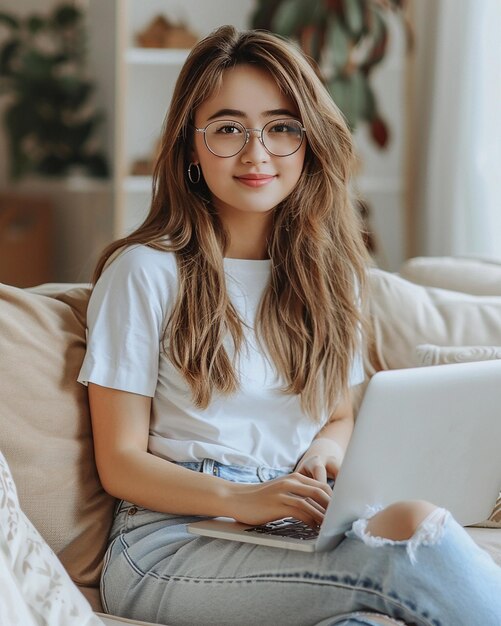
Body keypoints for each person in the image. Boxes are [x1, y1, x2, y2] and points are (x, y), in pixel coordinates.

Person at [78, 25, 501, 626]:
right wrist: (243, 497)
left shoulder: (334, 278)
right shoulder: (145, 273)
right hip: (168, 543)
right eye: (228, 129)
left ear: (309, 142)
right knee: (412, 530)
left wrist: (323, 455)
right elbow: (119, 461)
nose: (257, 153)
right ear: (189, 148)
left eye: (281, 127)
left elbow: (339, 414)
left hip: (294, 518)